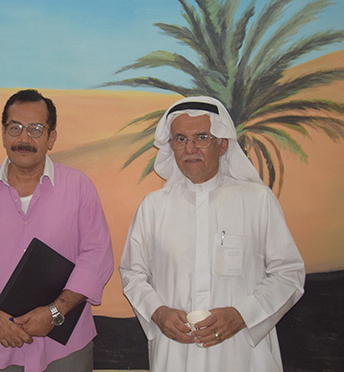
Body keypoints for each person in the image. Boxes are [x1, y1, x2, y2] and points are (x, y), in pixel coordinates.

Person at [119, 96, 305, 371]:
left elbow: (288, 274)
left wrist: (241, 315)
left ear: (223, 144)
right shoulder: (154, 207)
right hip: (176, 353)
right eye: (180, 139)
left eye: (202, 137)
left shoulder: (257, 200)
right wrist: (158, 312)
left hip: (243, 353)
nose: (190, 148)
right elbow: (132, 273)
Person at [0, 89, 114, 372]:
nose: (24, 139)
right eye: (15, 128)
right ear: (3, 134)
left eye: (36, 129)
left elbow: (97, 255)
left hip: (65, 348)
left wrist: (55, 312)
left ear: (51, 137)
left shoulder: (79, 188)